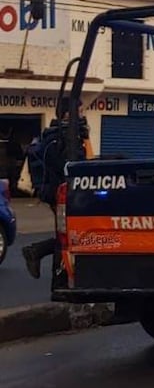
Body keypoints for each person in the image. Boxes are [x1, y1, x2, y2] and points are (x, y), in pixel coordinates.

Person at [22, 99, 90, 281]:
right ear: (68, 114)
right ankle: (55, 275)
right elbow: (65, 167)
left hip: (68, 194)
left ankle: (43, 259)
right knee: (67, 237)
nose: (83, 114)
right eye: (80, 110)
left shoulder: (69, 135)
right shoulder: (57, 138)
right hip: (60, 194)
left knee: (66, 236)